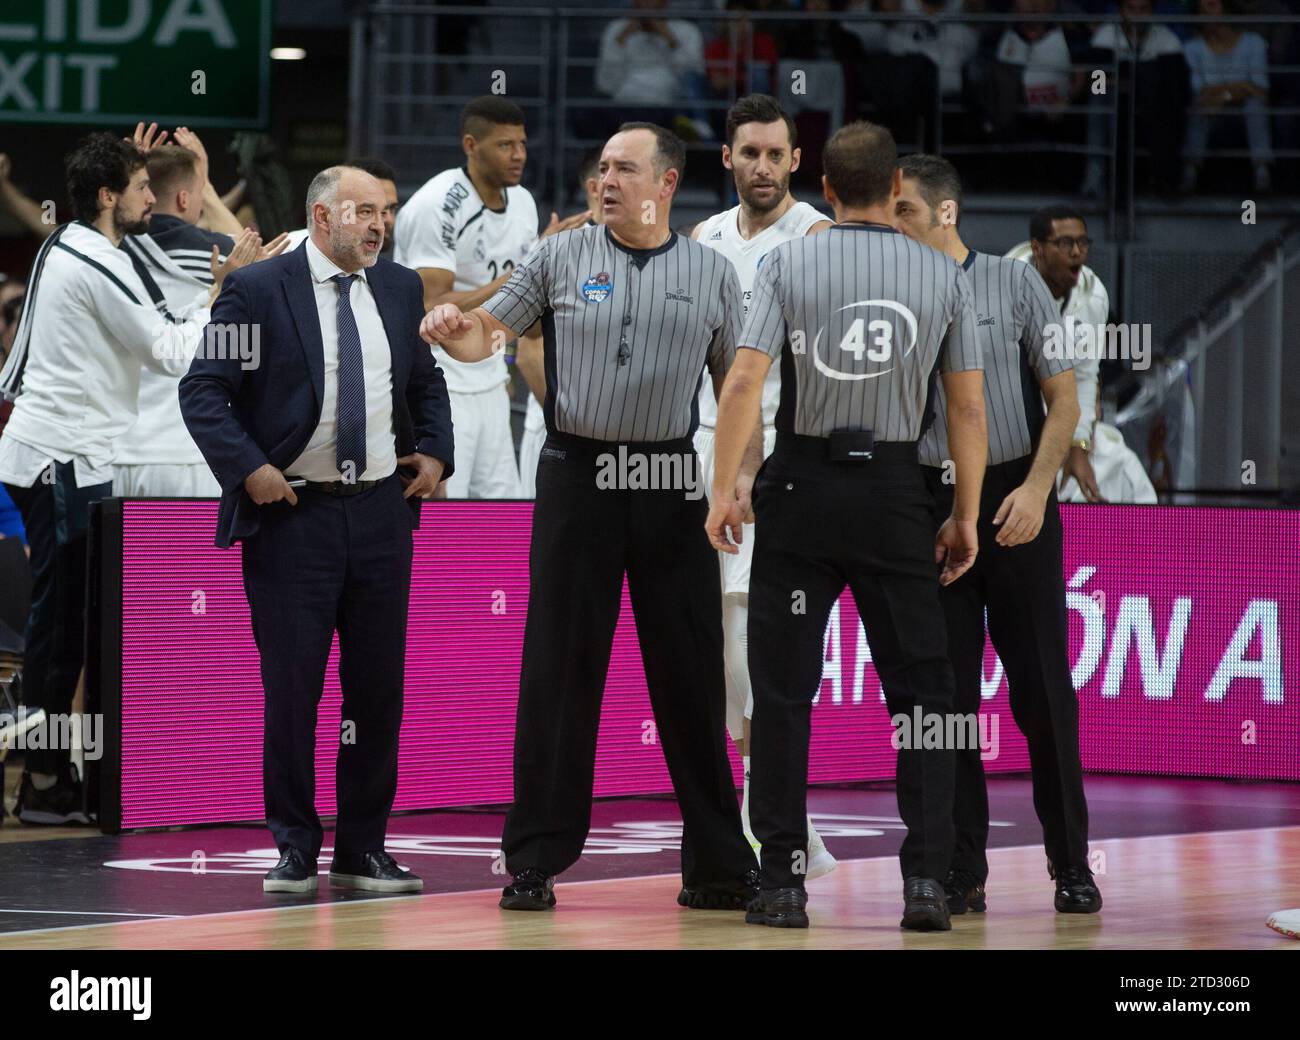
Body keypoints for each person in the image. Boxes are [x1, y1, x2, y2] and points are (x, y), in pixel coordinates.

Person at [421, 123, 762, 913]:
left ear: (666, 184)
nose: (606, 181)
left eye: (624, 169)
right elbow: (488, 335)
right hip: (579, 476)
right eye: (601, 168)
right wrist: (452, 330)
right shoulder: (557, 255)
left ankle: (716, 863)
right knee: (559, 671)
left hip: (672, 477)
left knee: (690, 674)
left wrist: (738, 476)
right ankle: (535, 858)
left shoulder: (711, 274)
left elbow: (739, 394)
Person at [708, 121, 988, 931]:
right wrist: (963, 513)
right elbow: (967, 406)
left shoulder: (789, 260)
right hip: (899, 496)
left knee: (784, 694)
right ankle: (928, 885)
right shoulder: (941, 273)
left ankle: (782, 884)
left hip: (800, 487)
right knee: (924, 695)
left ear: (822, 185)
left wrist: (727, 490)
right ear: (896, 185)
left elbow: (742, 386)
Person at [179, 165, 454, 893]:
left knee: (377, 691)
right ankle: (294, 846)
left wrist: (435, 450)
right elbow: (204, 389)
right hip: (292, 513)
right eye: (363, 212)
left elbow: (425, 381)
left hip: (379, 513)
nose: (378, 225)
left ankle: (364, 849)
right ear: (321, 217)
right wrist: (248, 469)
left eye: (385, 213)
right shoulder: (259, 288)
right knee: (293, 689)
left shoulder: (398, 289)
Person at [0, 132, 252, 823]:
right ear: (110, 196)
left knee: (69, 626)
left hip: (54, 456)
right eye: (138, 187)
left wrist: (192, 173)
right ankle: (46, 784)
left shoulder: (68, 242)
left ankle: (56, 781)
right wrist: (222, 293)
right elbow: (173, 351)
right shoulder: (95, 257)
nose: (152, 197)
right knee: (58, 633)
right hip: (62, 461)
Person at [896, 153, 1102, 916]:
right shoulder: (894, 293)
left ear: (944, 212)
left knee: (1042, 692)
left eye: (905, 209)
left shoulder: (1013, 283)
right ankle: (959, 869)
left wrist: (1039, 491)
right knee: (942, 697)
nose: (893, 222)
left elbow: (1064, 400)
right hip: (930, 505)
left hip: (1015, 503)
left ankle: (1071, 865)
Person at [690, 94, 835, 874]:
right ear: (728, 158)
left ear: (796, 161)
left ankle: (774, 815)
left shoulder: (814, 236)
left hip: (777, 462)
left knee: (757, 645)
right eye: (750, 153)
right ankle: (762, 813)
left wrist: (754, 467)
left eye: (776, 154)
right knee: (715, 645)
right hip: (703, 456)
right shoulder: (705, 238)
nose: (764, 167)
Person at [395, 97, 587, 499]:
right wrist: (524, 271)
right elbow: (428, 306)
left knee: (501, 508)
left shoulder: (523, 202)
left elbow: (522, 307)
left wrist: (507, 365)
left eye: (521, 144)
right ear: (470, 145)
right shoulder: (437, 205)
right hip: (440, 385)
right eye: (504, 145)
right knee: (443, 512)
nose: (518, 155)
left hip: (492, 380)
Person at [117, 132, 290, 497]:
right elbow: (246, 355)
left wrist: (125, 172)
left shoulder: (108, 253)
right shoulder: (234, 260)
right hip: (196, 452)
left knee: (118, 557)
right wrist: (207, 186)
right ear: (184, 198)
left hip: (120, 451)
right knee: (189, 558)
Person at [1005, 205, 1109, 502]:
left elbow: (1085, 376)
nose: (1077, 252)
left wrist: (1078, 444)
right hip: (1000, 426)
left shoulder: (1094, 296)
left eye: (1083, 242)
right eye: (1065, 243)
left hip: (1053, 424)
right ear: (1037, 248)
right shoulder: (1001, 286)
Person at [517, 152, 603, 499]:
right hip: (558, 435)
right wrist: (566, 427)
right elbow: (527, 351)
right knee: (543, 548)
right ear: (596, 187)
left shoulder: (657, 252)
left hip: (621, 441)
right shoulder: (557, 250)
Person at [1182, 0, 1274, 195]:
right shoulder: (1192, 48)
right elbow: (1201, 91)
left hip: (1242, 115)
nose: (1207, 12)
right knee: (1200, 106)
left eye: (1212, 5)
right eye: (1201, 8)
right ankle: (1190, 171)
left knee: (1255, 104)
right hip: (1211, 114)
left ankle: (1262, 170)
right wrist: (1242, 86)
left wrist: (1223, 95)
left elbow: (1260, 89)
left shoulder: (1253, 42)